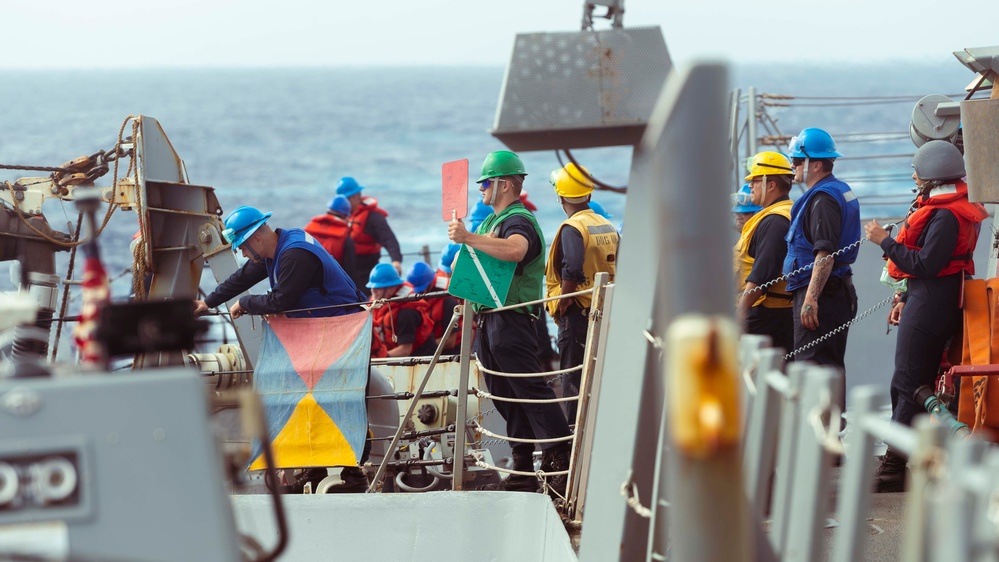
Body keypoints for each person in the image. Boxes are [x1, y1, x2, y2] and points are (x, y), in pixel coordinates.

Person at [864, 140, 988, 493]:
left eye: (918, 173)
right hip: (931, 297)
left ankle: (893, 469)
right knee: (908, 381)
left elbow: (925, 264)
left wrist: (884, 241)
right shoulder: (948, 208)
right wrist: (903, 295)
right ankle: (908, 457)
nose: (915, 178)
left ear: (932, 175)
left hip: (932, 302)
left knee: (907, 382)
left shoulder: (945, 215)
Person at [447, 150, 572, 495]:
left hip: (512, 318)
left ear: (503, 184)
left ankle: (558, 453)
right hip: (489, 319)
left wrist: (468, 238)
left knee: (528, 388)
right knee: (504, 392)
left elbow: (516, 250)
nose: (480, 189)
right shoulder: (491, 222)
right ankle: (522, 464)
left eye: (485, 183)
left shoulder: (519, 221)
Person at [783, 128, 860, 417]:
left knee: (813, 365)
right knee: (828, 365)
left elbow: (824, 253)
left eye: (797, 161)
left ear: (815, 163)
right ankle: (830, 441)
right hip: (836, 291)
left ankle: (820, 444)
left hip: (822, 294)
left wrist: (811, 298)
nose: (793, 167)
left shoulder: (822, 200)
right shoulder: (835, 191)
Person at [194, 205, 365, 319]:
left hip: (344, 323)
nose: (244, 255)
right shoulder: (278, 246)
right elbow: (243, 277)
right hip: (328, 323)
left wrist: (245, 303)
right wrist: (207, 302)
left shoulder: (294, 255)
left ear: (257, 240)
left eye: (243, 248)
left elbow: (280, 301)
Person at [545, 163, 618, 425]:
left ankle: (576, 433)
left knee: (573, 378)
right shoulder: (606, 224)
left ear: (561, 197)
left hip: (577, 315)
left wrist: (563, 302)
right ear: (589, 194)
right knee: (599, 374)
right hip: (604, 311)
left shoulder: (572, 227)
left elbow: (572, 268)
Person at [734, 152, 795, 354]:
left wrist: (740, 314)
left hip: (767, 316)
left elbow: (762, 275)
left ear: (771, 185)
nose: (750, 184)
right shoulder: (779, 213)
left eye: (755, 180)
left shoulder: (775, 221)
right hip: (770, 314)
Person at [336, 176, 404, 298]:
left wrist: (396, 261)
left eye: (346, 199)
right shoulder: (344, 216)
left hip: (367, 271)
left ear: (356, 196)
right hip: (348, 271)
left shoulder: (373, 218)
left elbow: (389, 239)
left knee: (365, 300)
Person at [367, 263, 437, 357]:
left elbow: (405, 350)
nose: (373, 290)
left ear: (392, 289)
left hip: (420, 358)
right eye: (372, 287)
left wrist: (380, 358)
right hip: (392, 353)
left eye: (378, 287)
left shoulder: (406, 313)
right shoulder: (373, 303)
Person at [407, 260, 461, 354]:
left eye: (421, 291)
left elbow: (451, 341)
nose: (419, 295)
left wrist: (425, 350)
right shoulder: (412, 304)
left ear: (431, 283)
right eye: (417, 292)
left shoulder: (448, 302)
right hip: (427, 350)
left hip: (451, 353)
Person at [304, 195, 356, 274]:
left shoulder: (308, 229)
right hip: (330, 282)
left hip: (306, 277)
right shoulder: (345, 238)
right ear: (345, 216)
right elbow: (350, 271)